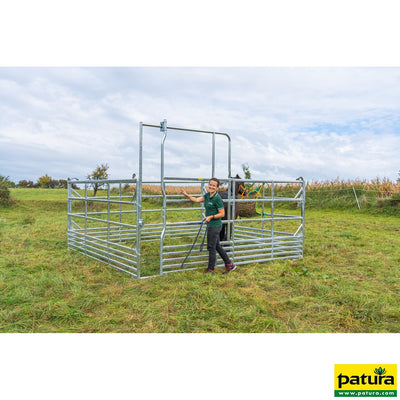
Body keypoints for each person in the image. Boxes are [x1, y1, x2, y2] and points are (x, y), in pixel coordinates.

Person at [180, 178, 237, 274]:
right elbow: (197, 199)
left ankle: (210, 269)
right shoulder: (207, 195)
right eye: (210, 184)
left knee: (211, 247)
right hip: (211, 224)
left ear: (217, 187)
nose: (211, 186)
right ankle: (230, 265)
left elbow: (222, 214)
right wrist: (187, 195)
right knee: (217, 246)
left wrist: (211, 217)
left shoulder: (217, 198)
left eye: (214, 185)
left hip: (215, 225)